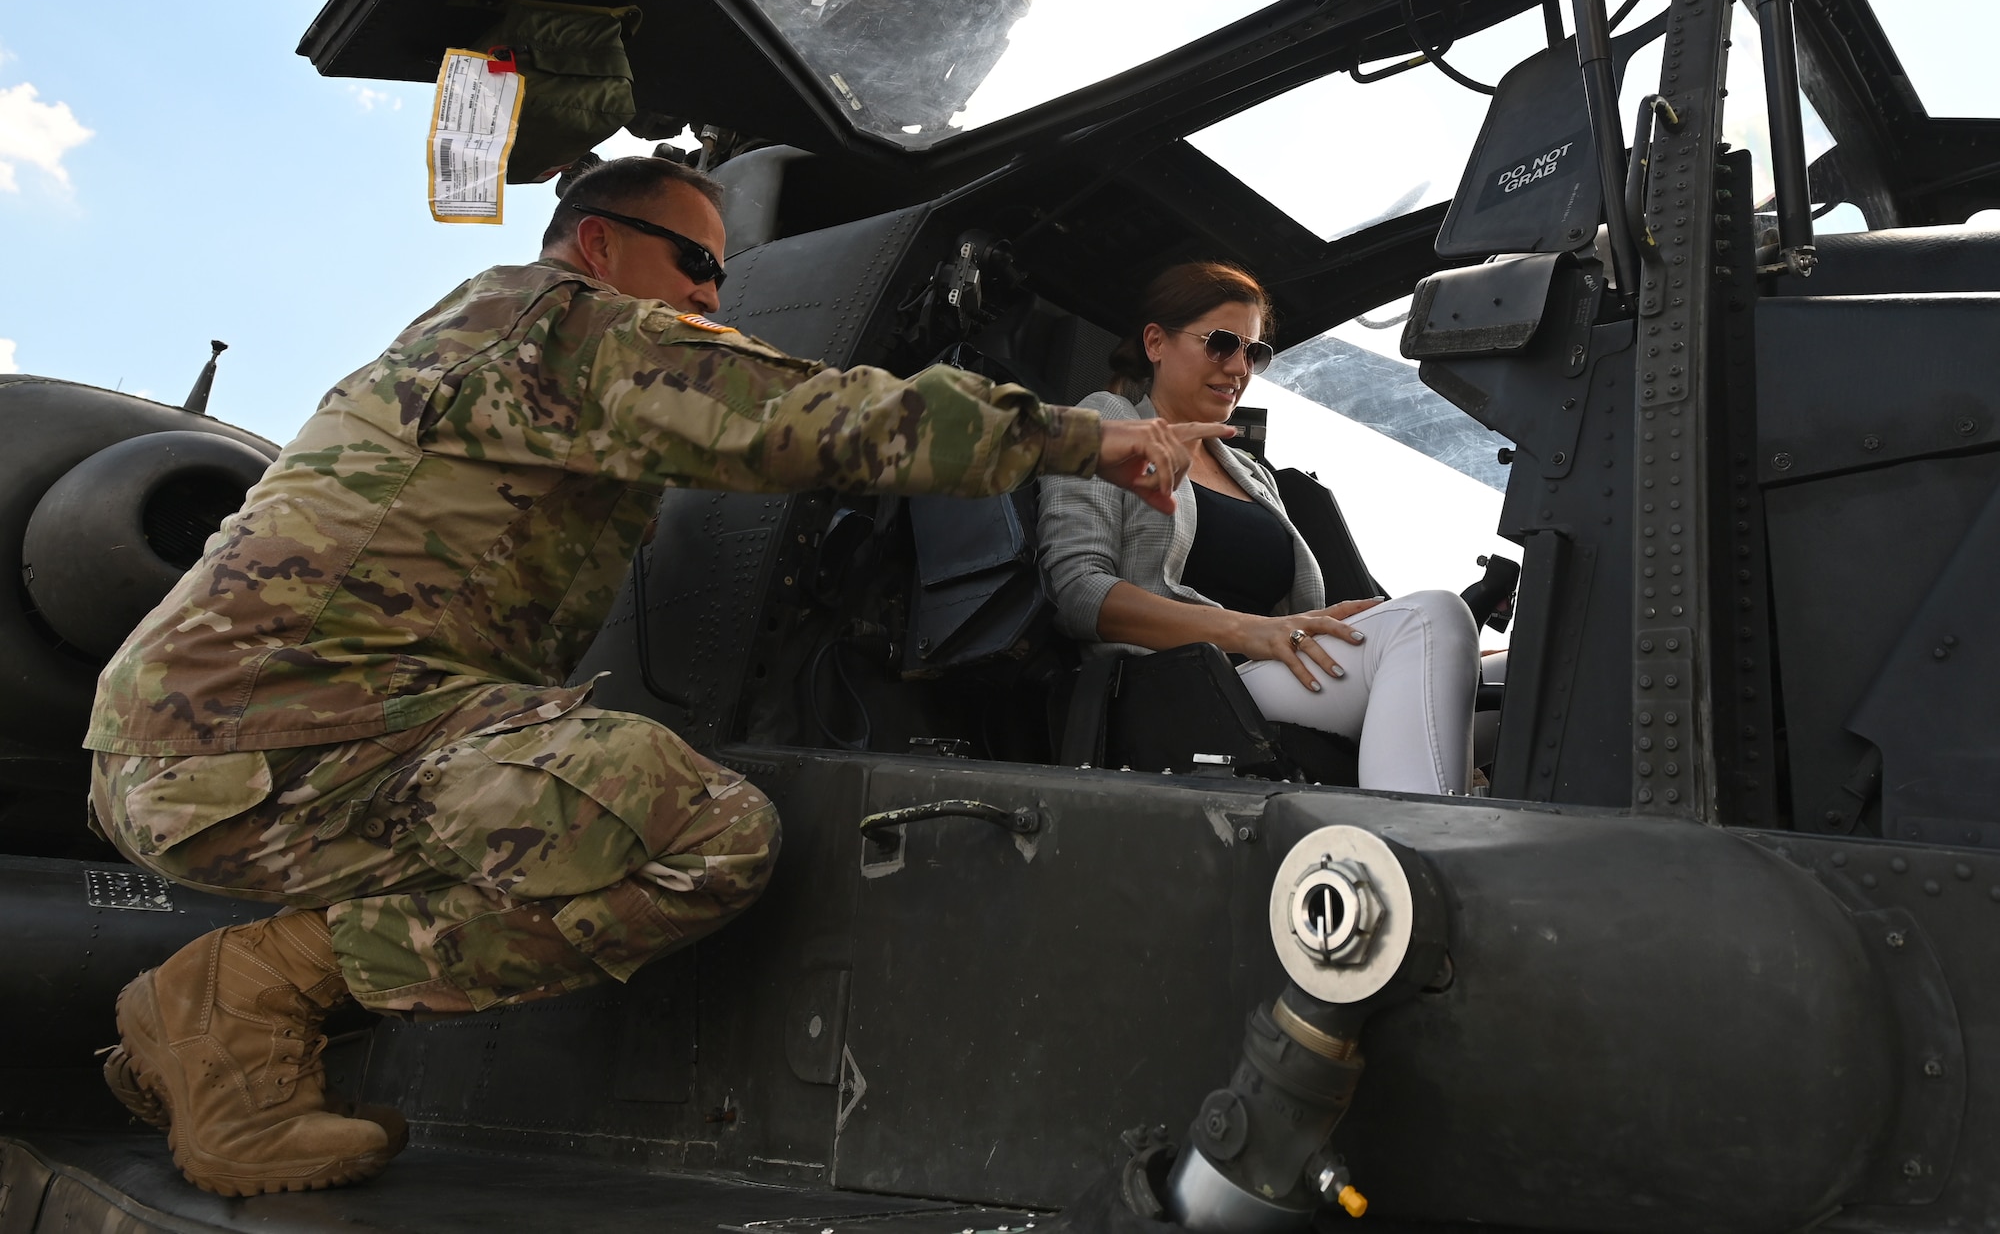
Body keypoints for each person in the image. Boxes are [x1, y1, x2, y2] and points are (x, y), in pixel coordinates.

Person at [85, 156, 1223, 1197]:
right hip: (260, 743)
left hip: (244, 744)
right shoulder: (568, 329)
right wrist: (1082, 438)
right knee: (698, 835)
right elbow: (807, 417)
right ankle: (244, 1002)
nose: (710, 299)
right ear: (596, 245)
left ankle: (232, 1027)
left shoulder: (491, 341)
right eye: (692, 262)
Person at [1038, 262, 1479, 796]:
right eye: (1222, 344)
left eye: (1253, 352)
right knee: (1430, 619)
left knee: (1490, 683)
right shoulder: (1108, 420)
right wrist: (1248, 631)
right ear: (1156, 342)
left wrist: (1307, 621)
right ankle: (1413, 849)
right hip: (1174, 684)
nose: (1238, 367)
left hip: (1255, 672)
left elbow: (1272, 617)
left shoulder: (1252, 474)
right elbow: (1077, 592)